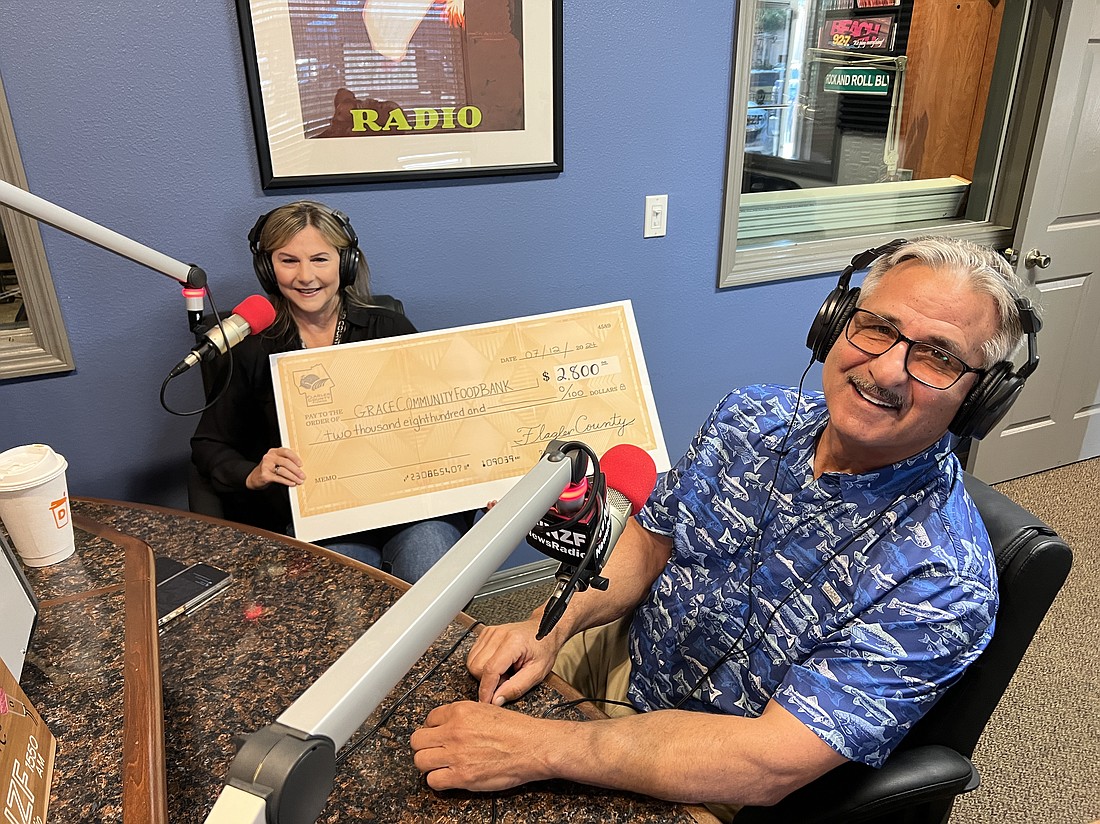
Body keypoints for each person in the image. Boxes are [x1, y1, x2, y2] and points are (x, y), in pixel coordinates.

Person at [409, 237, 1036, 817]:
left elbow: (767, 762)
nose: (888, 370)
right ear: (837, 323)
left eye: (937, 357)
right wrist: (554, 623)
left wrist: (540, 747)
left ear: (981, 400)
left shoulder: (942, 582)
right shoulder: (750, 417)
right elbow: (651, 543)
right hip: (625, 655)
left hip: (714, 769)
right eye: (878, 328)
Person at [190, 200, 465, 582]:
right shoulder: (249, 345)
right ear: (268, 269)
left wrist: (480, 476)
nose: (305, 276)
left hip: (405, 508)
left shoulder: (389, 328)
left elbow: (447, 418)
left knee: (431, 559)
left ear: (346, 263)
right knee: (342, 591)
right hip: (318, 519)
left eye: (320, 259)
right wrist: (253, 472)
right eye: (289, 261)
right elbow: (209, 444)